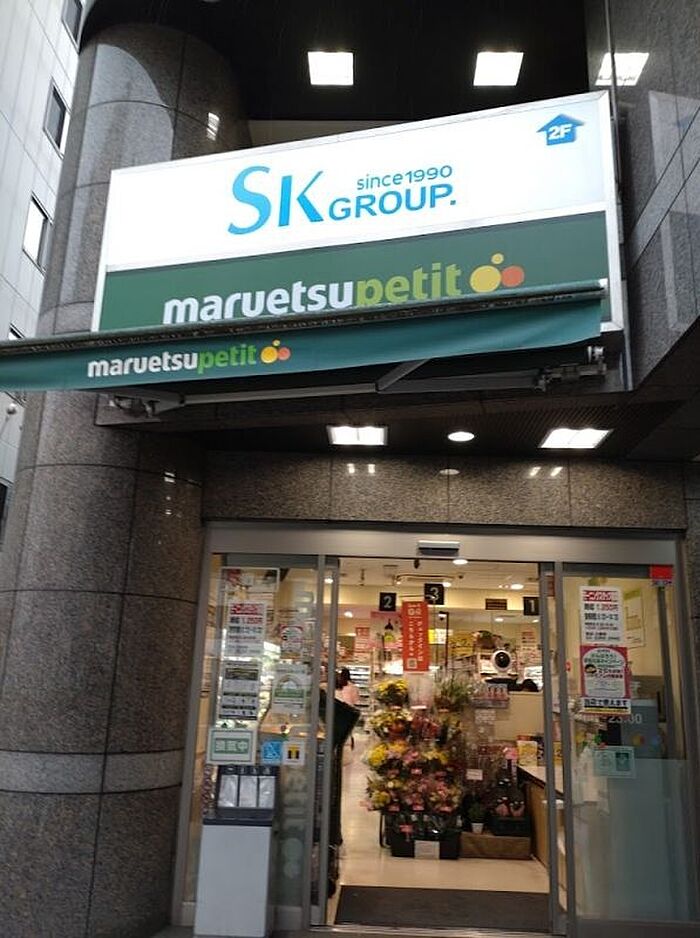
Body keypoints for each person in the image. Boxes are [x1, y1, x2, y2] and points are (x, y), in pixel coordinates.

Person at [336, 667, 360, 748]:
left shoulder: (336, 685)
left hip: (338, 709)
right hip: (348, 710)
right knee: (347, 729)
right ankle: (345, 742)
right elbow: (356, 700)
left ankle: (338, 742)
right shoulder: (353, 687)